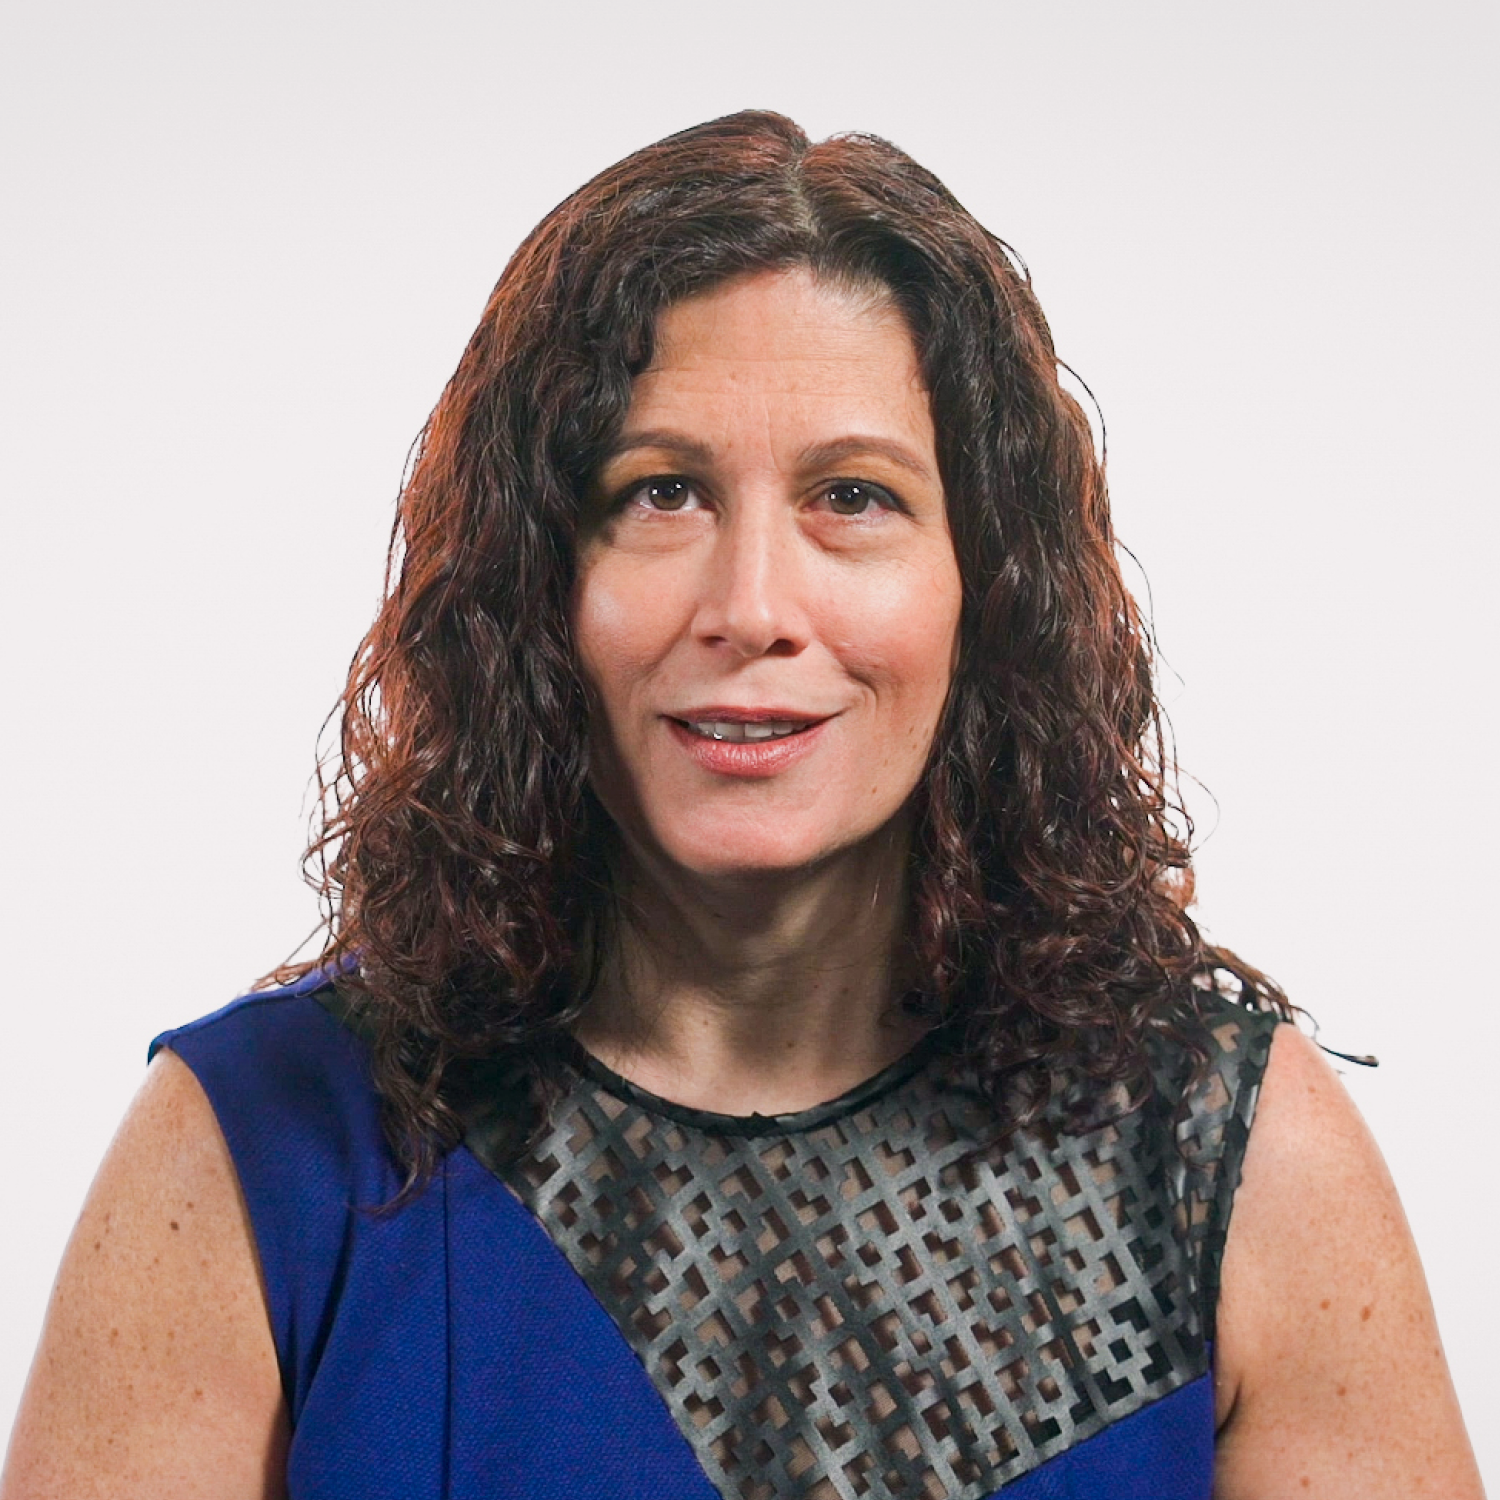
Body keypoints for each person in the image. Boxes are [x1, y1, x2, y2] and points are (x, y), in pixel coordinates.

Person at [1, 109, 1482, 1500]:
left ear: (989, 590)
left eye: (855, 497)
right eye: (661, 492)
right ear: (534, 583)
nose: (753, 606)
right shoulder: (256, 1152)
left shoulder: (1231, 1157)